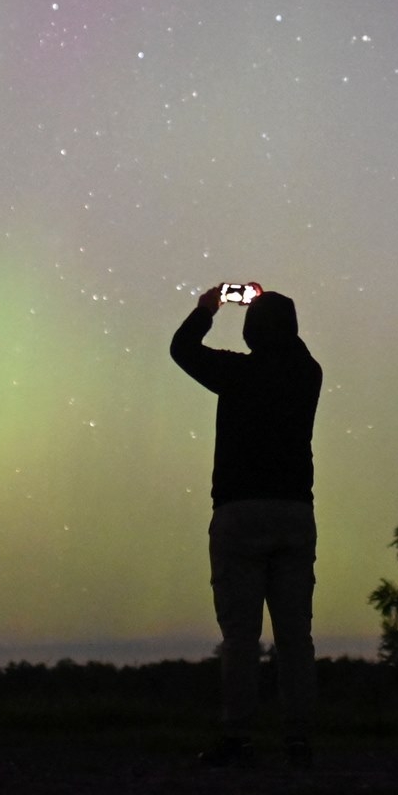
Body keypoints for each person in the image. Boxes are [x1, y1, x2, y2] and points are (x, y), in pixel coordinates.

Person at [171, 284, 323, 768]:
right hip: (295, 511)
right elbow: (290, 347)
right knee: (295, 635)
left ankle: (238, 737)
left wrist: (210, 305)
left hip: (239, 512)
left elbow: (182, 350)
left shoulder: (235, 373)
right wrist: (272, 305)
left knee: (241, 636)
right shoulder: (308, 374)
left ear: (252, 331)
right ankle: (298, 740)